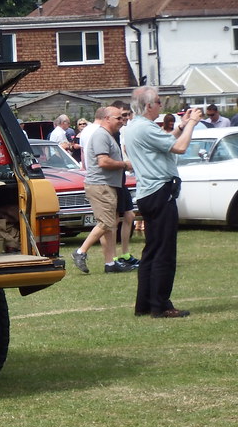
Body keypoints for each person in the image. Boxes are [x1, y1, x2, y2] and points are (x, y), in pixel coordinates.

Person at [127, 86, 203, 318]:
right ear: (149, 105)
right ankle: (160, 305)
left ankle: (145, 304)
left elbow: (164, 142)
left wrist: (181, 125)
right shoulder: (145, 128)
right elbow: (179, 147)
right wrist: (191, 124)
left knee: (152, 250)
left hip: (148, 192)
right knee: (164, 252)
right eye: (159, 102)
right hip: (160, 191)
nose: (162, 106)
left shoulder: (136, 127)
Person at [71, 106, 135, 274]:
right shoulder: (100, 135)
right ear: (107, 118)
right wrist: (125, 165)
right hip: (100, 185)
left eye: (122, 118)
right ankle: (80, 252)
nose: (122, 121)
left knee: (110, 225)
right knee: (106, 223)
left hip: (107, 185)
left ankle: (110, 263)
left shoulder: (108, 135)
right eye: (118, 118)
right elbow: (103, 162)